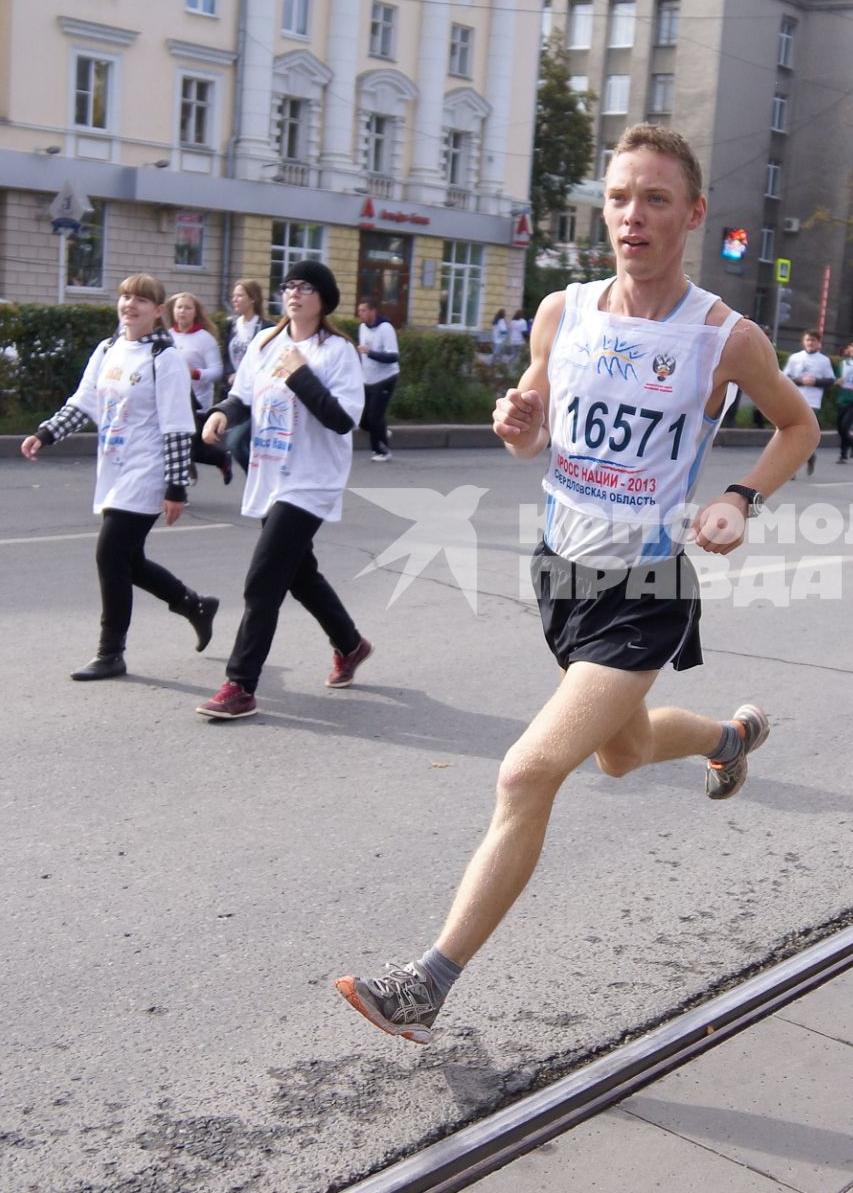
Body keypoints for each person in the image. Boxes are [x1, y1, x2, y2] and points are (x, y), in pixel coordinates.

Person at [333, 123, 817, 1044]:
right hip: (560, 573)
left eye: (656, 199)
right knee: (621, 754)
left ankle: (428, 984)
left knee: (527, 773)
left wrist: (739, 498)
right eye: (620, 198)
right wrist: (516, 420)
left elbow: (796, 426)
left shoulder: (722, 336)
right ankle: (728, 735)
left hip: (647, 584)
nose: (633, 217)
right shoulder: (565, 312)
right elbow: (531, 429)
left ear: (695, 215)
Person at [195, 260, 373, 720]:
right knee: (299, 573)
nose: (294, 293)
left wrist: (300, 373)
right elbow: (246, 396)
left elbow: (341, 419)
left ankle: (240, 684)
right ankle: (349, 644)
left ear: (324, 299)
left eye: (307, 286)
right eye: (289, 285)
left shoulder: (338, 352)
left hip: (312, 480)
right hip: (271, 473)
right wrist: (222, 412)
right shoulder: (266, 342)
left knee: (265, 579)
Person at [20, 273, 219, 679]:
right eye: (126, 297)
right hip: (114, 467)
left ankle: (111, 652)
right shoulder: (108, 348)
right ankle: (193, 604)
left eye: (141, 300)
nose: (130, 305)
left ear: (157, 311)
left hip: (148, 470)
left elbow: (178, 426)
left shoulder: (164, 359)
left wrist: (176, 485)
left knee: (110, 554)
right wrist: (46, 433)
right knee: (129, 560)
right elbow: (85, 402)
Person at [167, 292, 233, 487]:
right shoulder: (167, 336)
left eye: (188, 308)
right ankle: (219, 459)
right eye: (179, 307)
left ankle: (181, 487)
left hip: (196, 403)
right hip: (172, 400)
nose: (183, 312)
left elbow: (217, 371)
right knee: (184, 446)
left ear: (195, 312)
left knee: (185, 445)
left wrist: (195, 374)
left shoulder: (205, 339)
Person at [225, 280, 269, 470]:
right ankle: (260, 481)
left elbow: (270, 362)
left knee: (235, 443)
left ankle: (262, 480)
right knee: (237, 444)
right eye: (234, 295)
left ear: (252, 299)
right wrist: (230, 373)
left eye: (240, 295)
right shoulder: (232, 325)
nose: (235, 299)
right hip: (238, 395)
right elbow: (226, 356)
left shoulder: (266, 328)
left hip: (258, 397)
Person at [782, 330, 836, 476]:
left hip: (812, 402)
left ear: (819, 343)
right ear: (803, 341)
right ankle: (792, 467)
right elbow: (784, 378)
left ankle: (809, 456)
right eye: (808, 340)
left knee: (804, 435)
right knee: (792, 434)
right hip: (795, 399)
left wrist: (816, 381)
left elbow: (831, 380)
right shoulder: (795, 358)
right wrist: (800, 380)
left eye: (813, 340)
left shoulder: (824, 360)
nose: (810, 343)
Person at [356, 300, 400, 462]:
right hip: (368, 379)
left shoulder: (385, 329)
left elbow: (393, 356)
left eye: (363, 310)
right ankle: (382, 430)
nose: (360, 314)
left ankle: (382, 451)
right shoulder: (362, 328)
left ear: (373, 311)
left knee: (375, 417)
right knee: (363, 420)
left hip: (385, 378)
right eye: (359, 310)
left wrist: (370, 352)